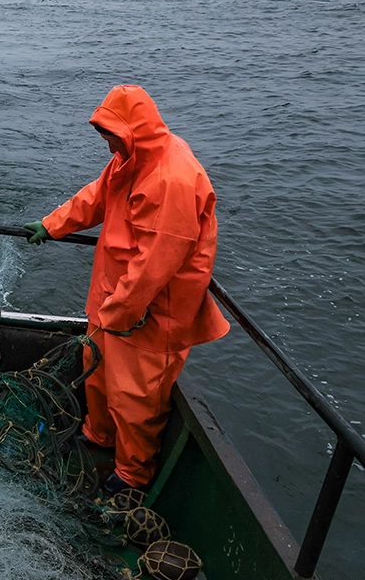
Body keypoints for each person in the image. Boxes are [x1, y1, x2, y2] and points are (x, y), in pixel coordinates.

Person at [22, 85, 229, 494]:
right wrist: (52, 224)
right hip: (113, 299)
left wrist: (122, 313)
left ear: (134, 130)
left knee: (136, 396)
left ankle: (132, 475)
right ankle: (98, 435)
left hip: (150, 314)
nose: (107, 144)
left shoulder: (172, 179)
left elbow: (156, 264)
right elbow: (97, 197)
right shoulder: (129, 159)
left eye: (111, 136)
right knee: (96, 369)